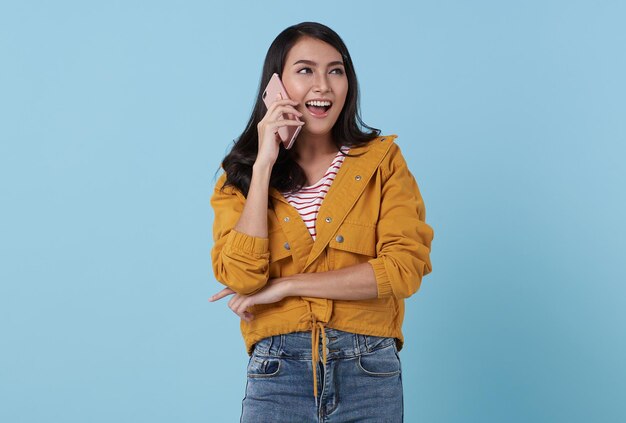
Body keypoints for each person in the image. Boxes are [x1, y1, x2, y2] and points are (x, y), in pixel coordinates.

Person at [208, 21, 434, 422]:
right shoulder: (240, 178)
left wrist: (287, 286)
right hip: (277, 372)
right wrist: (263, 166)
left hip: (368, 370)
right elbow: (242, 277)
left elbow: (404, 270)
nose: (324, 85)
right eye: (305, 70)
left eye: (336, 70)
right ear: (275, 86)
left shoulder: (383, 163)